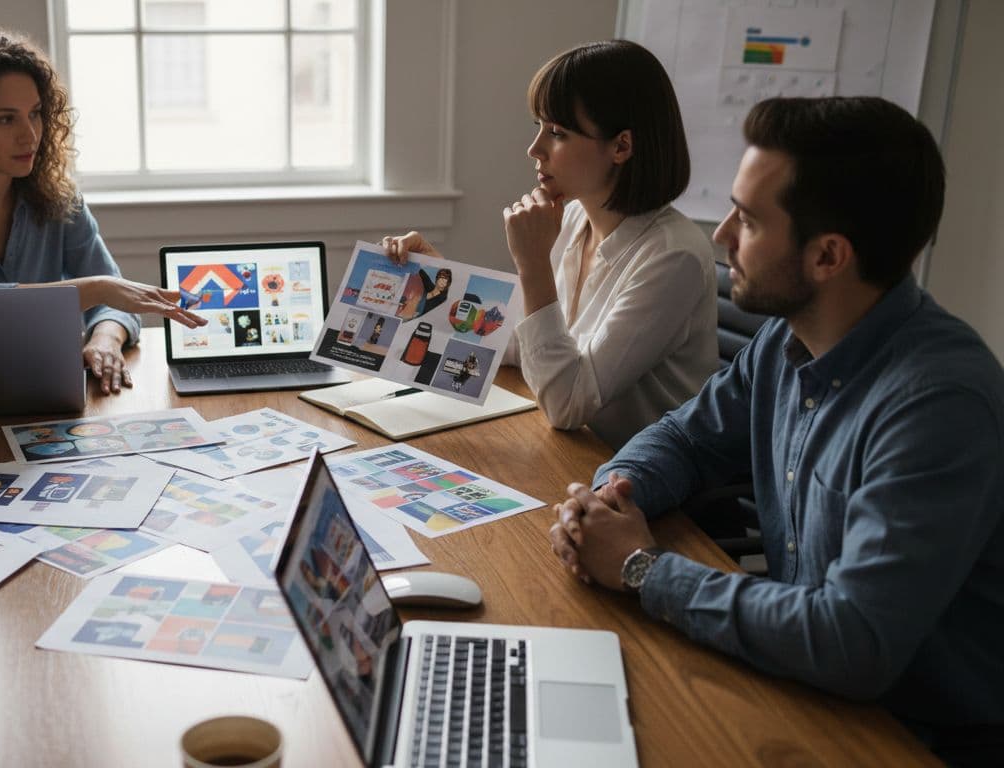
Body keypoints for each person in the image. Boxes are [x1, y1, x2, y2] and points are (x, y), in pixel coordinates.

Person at [550, 96, 1004, 766]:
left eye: (750, 221)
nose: (721, 236)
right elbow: (687, 438)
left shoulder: (938, 406)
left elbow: (854, 641)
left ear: (827, 257)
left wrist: (643, 568)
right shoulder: (786, 341)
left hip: (913, 737)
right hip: (804, 688)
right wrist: (615, 496)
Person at [383, 40, 716, 447]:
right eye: (538, 127)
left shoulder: (672, 256)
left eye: (557, 132)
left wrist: (533, 265)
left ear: (621, 146)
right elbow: (520, 343)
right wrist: (440, 278)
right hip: (580, 453)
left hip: (633, 479)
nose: (534, 149)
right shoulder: (575, 216)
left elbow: (567, 405)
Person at [0, 27, 204, 396]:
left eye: (36, 114)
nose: (30, 135)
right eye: (5, 119)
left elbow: (118, 306)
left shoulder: (58, 196)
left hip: (41, 389)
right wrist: (100, 289)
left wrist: (105, 339)